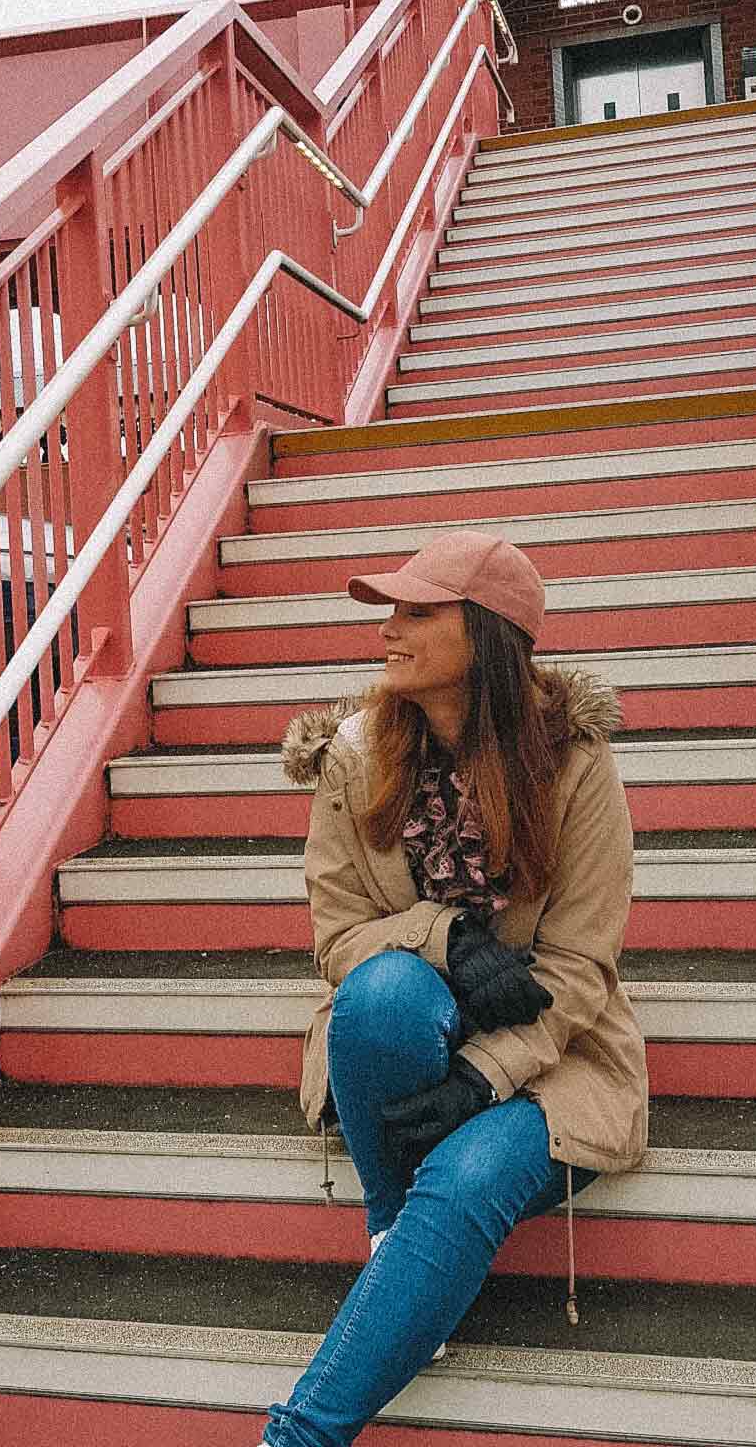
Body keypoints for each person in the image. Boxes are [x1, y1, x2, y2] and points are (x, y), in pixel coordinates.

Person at [260, 528, 647, 1447]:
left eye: (417, 612)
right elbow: (340, 940)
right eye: (391, 611)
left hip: (553, 1053)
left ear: (485, 637)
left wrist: (481, 1079)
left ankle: (300, 1435)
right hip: (398, 1033)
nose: (388, 630)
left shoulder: (576, 764)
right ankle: (395, 1234)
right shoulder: (352, 757)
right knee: (385, 991)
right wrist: (450, 935)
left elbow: (578, 969)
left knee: (469, 1174)